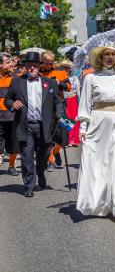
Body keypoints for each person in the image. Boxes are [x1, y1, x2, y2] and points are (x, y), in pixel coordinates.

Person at [76, 43, 115, 218]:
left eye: (112, 54)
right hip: (96, 124)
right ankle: (98, 203)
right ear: (100, 58)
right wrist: (82, 128)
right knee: (98, 164)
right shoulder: (91, 78)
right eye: (106, 55)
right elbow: (85, 105)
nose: (109, 57)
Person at [4, 52, 64, 197]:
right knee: (26, 156)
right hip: (25, 125)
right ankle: (29, 186)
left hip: (44, 126)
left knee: (43, 155)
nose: (32, 68)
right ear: (25, 67)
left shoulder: (49, 83)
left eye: (35, 65)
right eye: (29, 66)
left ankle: (40, 171)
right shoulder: (17, 82)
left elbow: (57, 101)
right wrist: (13, 104)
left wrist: (59, 114)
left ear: (39, 66)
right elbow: (7, 99)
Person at [0, 53, 19, 176]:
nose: (11, 64)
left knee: (13, 142)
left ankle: (11, 166)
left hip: (12, 116)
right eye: (7, 62)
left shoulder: (15, 78)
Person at [59, 60, 81, 147]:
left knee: (74, 118)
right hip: (64, 100)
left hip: (73, 99)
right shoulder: (61, 78)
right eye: (64, 68)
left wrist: (80, 101)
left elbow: (78, 91)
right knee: (65, 119)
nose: (65, 70)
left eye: (67, 68)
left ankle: (74, 139)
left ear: (69, 69)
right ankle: (66, 140)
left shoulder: (74, 78)